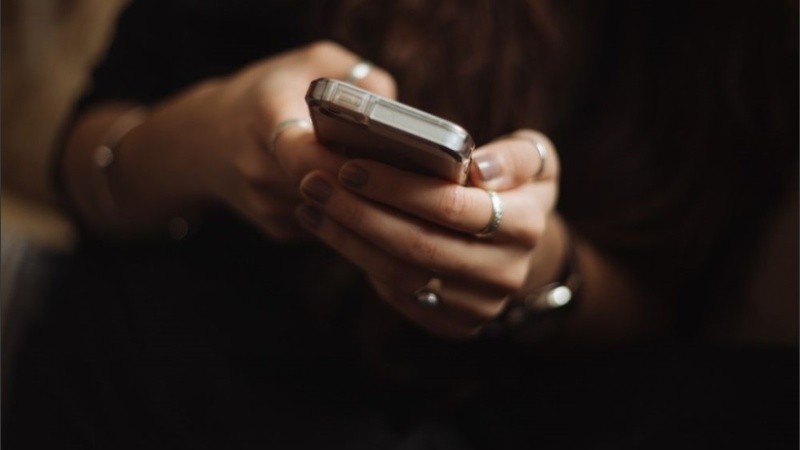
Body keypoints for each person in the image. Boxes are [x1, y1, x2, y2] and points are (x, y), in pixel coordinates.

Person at [4, 1, 797, 448]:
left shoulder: (740, 41)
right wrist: (208, 135)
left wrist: (544, 271)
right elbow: (85, 166)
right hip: (163, 379)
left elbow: (677, 320)